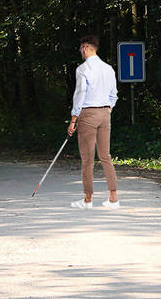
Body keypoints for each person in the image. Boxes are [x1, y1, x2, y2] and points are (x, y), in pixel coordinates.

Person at [68, 35, 119, 210]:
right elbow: (114, 94)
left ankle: (88, 199)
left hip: (88, 114)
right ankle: (113, 198)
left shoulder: (83, 69)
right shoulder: (108, 68)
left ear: (85, 48)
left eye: (82, 48)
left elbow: (80, 94)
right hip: (105, 113)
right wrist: (108, 109)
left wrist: (74, 119)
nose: (81, 51)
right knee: (105, 156)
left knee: (88, 158)